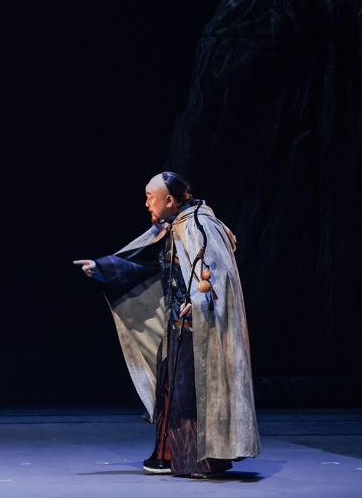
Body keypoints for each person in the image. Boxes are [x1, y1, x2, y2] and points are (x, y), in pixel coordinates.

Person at [73, 172, 260, 478]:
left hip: (199, 329)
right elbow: (146, 265)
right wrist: (102, 268)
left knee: (190, 393)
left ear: (170, 200)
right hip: (177, 327)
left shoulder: (199, 225)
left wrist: (198, 302)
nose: (147, 203)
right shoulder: (172, 228)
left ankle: (205, 461)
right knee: (169, 391)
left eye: (151, 196)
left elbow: (216, 272)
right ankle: (168, 455)